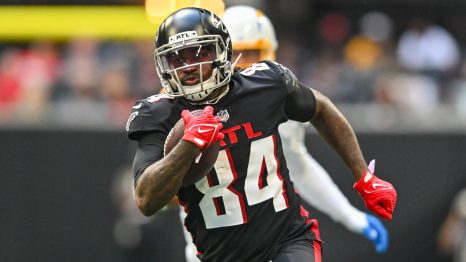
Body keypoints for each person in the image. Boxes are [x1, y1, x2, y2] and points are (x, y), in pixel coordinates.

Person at [126, 7, 397, 262]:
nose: (188, 67)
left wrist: (363, 176)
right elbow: (147, 200)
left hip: (288, 239)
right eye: (177, 58)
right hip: (214, 252)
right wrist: (187, 147)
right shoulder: (159, 114)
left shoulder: (266, 85)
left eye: (199, 54)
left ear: (222, 51)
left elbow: (320, 109)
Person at [223, 3, 389, 252]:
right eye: (237, 53)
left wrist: (349, 215)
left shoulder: (278, 98)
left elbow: (298, 165)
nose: (244, 64)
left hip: (267, 244)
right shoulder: (190, 107)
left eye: (253, 54)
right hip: (210, 247)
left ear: (270, 53)